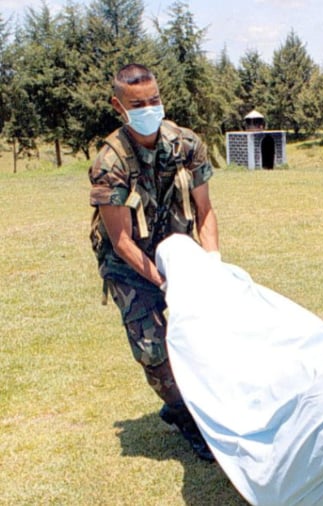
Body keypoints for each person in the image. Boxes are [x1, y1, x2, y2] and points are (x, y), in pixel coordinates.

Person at [88, 63, 219, 462]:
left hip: (178, 254)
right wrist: (163, 283)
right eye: (138, 103)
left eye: (154, 100)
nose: (149, 108)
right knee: (154, 348)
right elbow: (121, 240)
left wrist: (212, 266)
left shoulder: (187, 144)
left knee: (202, 336)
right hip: (129, 264)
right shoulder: (109, 163)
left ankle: (203, 406)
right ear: (118, 106)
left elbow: (205, 211)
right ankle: (185, 418)